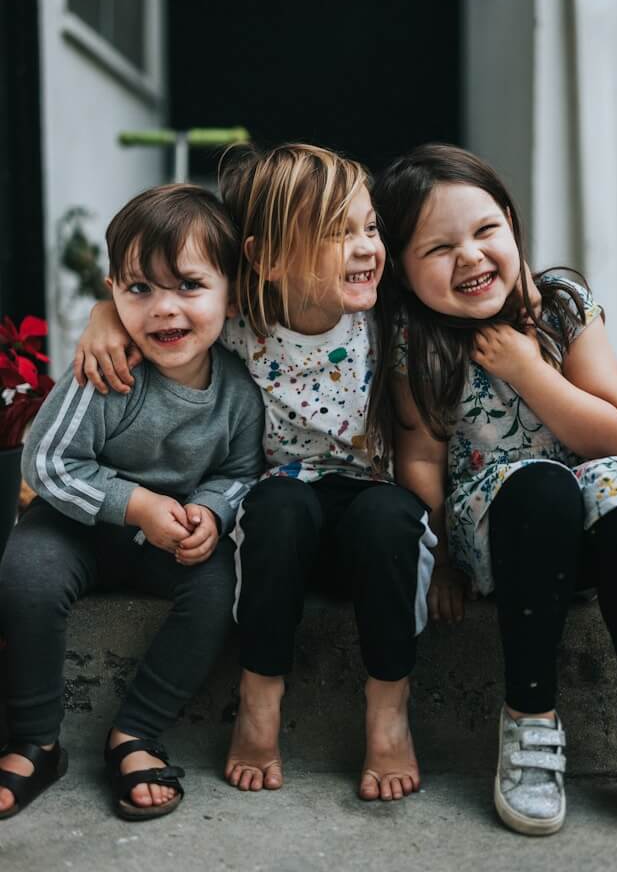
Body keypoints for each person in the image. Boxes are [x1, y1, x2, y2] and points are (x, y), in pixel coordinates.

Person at [71, 144, 437, 802]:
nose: (364, 247)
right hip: (277, 531)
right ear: (266, 260)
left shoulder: (388, 322)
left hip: (371, 524)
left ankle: (388, 713)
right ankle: (259, 698)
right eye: (336, 233)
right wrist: (103, 317)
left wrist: (453, 561)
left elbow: (422, 449)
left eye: (369, 227)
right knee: (278, 504)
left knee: (390, 517)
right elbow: (167, 307)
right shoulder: (244, 324)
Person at [370, 142, 617, 834]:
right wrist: (442, 562)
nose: (470, 256)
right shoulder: (417, 342)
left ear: (512, 225)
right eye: (438, 248)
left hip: (593, 538)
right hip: (502, 539)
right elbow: (421, 463)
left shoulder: (562, 307)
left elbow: (614, 434)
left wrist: (528, 369)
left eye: (486, 230)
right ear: (401, 268)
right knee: (540, 487)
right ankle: (530, 717)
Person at [0, 184, 264, 821]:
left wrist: (212, 510)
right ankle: (36, 738)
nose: (163, 310)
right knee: (26, 574)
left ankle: (136, 733)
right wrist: (135, 503)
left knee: (216, 592)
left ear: (231, 293)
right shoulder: (108, 370)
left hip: (170, 538)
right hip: (72, 526)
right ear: (113, 291)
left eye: (189, 287)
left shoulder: (239, 392)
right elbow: (47, 461)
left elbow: (241, 470)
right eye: (139, 289)